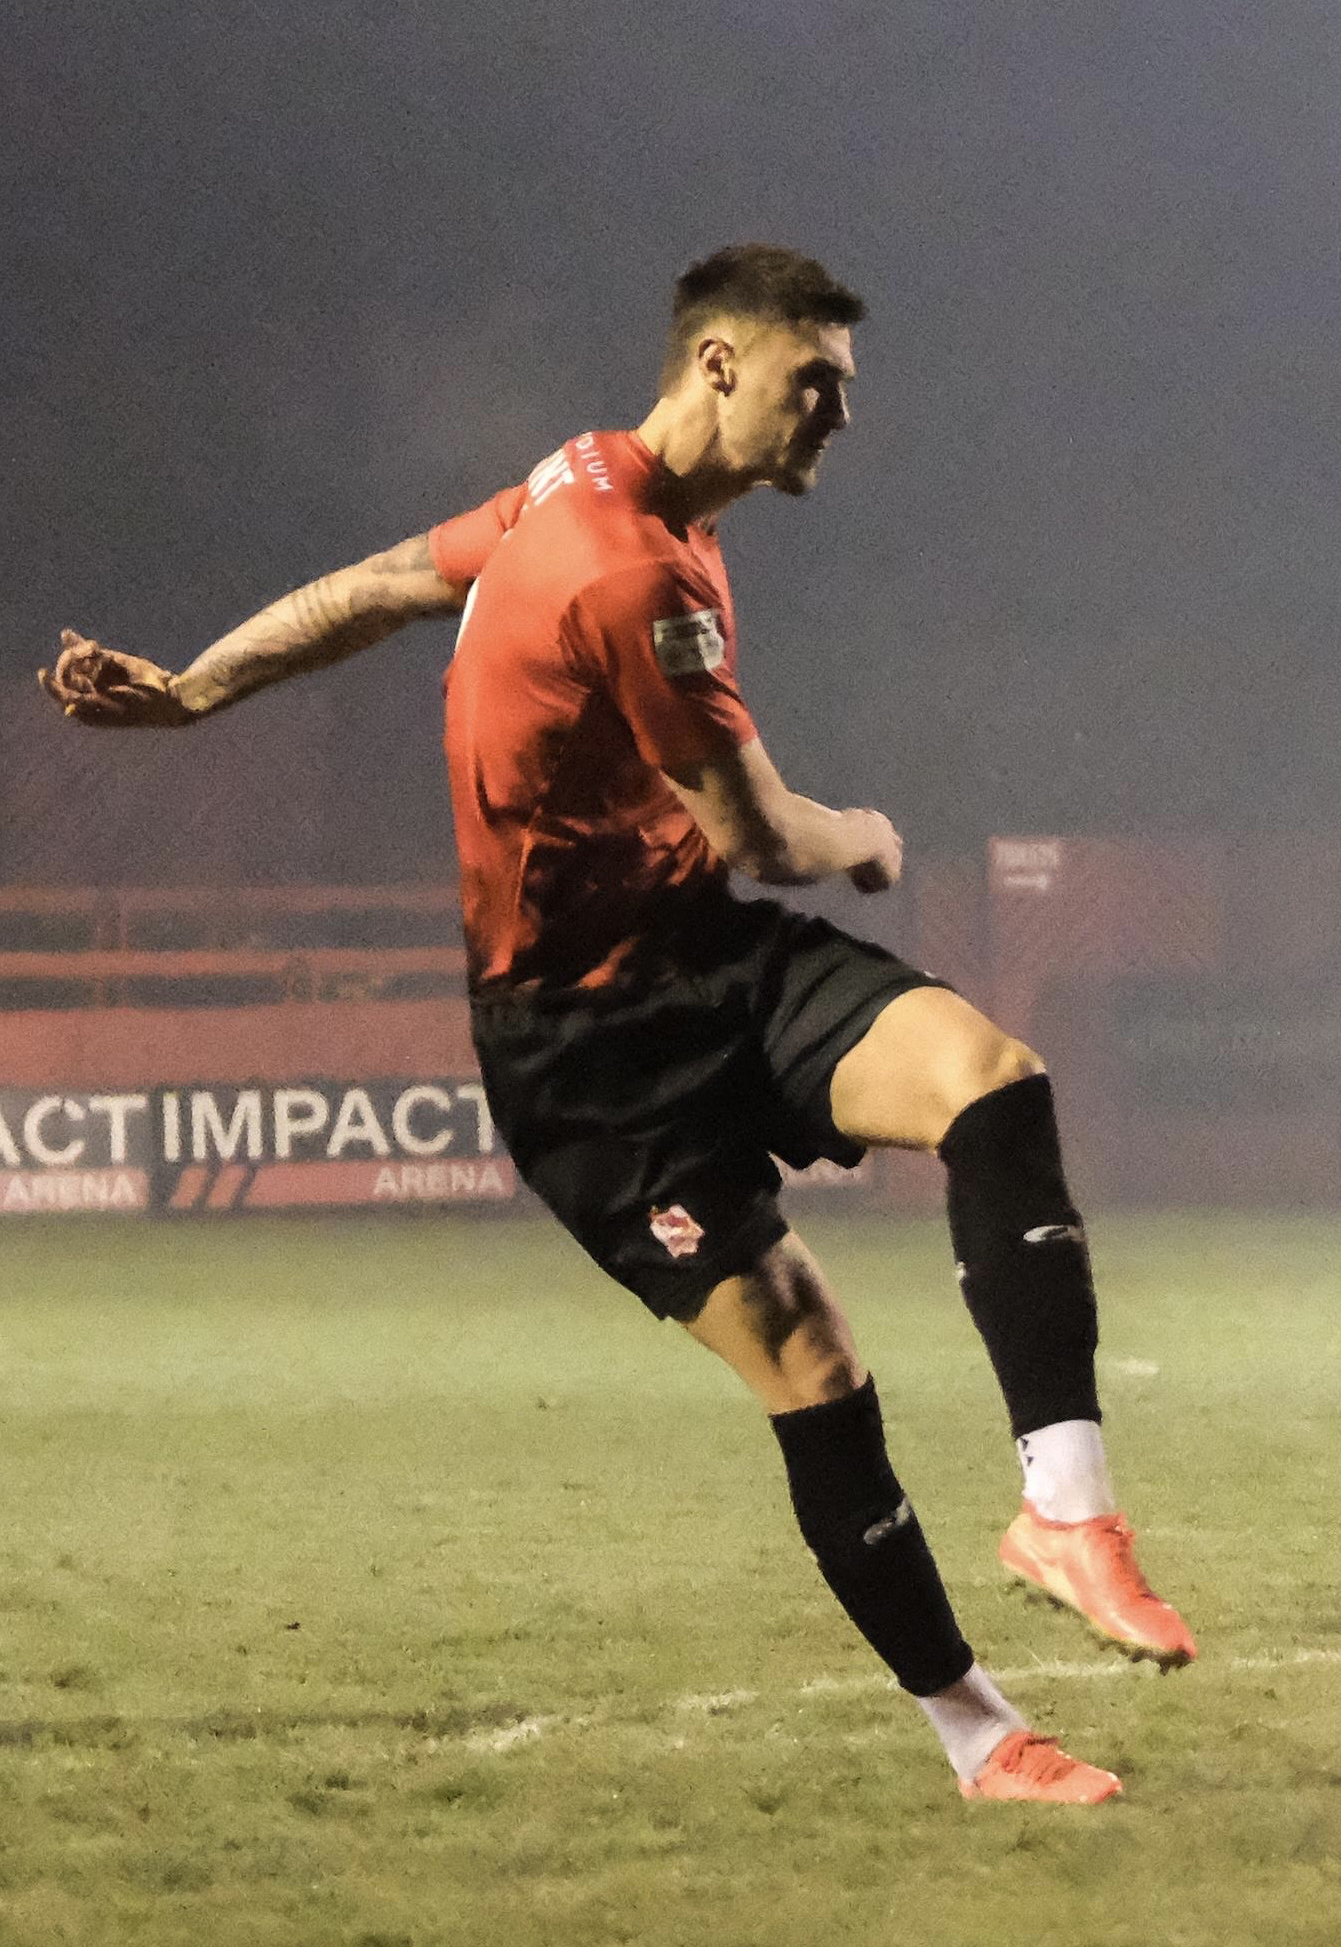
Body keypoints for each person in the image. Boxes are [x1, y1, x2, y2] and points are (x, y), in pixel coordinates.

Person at [36, 244, 1190, 1805]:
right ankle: (981, 1734)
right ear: (718, 365)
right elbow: (771, 837)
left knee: (993, 1080)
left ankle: (1066, 1508)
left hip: (706, 954)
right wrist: (866, 831)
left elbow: (377, 586)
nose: (839, 415)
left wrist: (191, 692)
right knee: (812, 1360)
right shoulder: (628, 567)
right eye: (816, 383)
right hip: (582, 1051)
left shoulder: (582, 483)